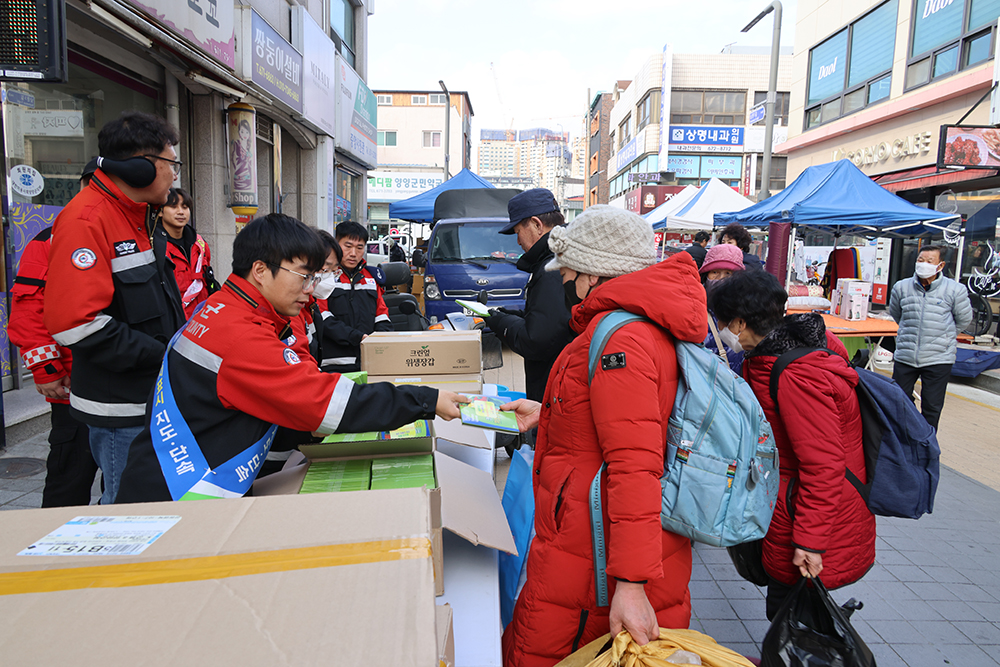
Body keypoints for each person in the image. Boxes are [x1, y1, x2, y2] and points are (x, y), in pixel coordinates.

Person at [115, 214, 468, 503]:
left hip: (170, 480)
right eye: (303, 276)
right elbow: (321, 402)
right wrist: (427, 399)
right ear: (260, 270)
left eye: (316, 277)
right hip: (177, 497)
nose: (310, 288)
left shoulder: (226, 308)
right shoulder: (241, 334)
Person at [499, 206, 706, 667]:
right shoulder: (636, 326)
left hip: (594, 566)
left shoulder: (621, 339)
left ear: (598, 272)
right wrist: (548, 414)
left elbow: (636, 465)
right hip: (591, 549)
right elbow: (618, 425)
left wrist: (631, 587)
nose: (568, 283)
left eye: (572, 273)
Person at [708, 270, 875, 620]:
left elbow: (823, 463)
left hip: (811, 516)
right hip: (794, 507)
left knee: (797, 621)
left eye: (721, 322)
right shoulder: (783, 352)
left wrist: (811, 541)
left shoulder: (795, 374)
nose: (719, 330)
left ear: (739, 323)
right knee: (791, 614)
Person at [45, 111, 185, 504]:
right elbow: (76, 323)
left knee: (151, 504)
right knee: (125, 513)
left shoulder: (140, 217)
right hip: (119, 408)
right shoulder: (87, 219)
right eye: (170, 164)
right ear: (139, 168)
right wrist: (163, 354)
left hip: (150, 397)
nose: (175, 175)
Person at [8, 159, 101, 507]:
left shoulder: (138, 237)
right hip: (72, 387)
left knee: (124, 484)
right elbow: (28, 311)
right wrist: (46, 369)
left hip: (127, 386)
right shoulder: (48, 241)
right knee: (69, 479)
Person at [484, 188, 575, 403]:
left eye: (517, 231)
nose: (517, 241)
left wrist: (501, 322)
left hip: (555, 392)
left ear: (536, 224)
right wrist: (517, 316)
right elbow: (556, 321)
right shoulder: (560, 256)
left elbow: (537, 341)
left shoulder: (553, 267)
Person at [889, 244, 973, 430]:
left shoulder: (955, 290)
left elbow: (964, 320)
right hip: (906, 355)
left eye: (929, 261)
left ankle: (927, 448)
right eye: (920, 260)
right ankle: (905, 440)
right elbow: (897, 315)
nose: (923, 264)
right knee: (898, 401)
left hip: (938, 357)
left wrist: (943, 336)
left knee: (932, 407)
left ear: (940, 265)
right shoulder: (901, 287)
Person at [315, 220, 394, 372]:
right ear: (336, 244)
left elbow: (382, 314)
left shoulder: (371, 278)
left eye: (359, 248)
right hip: (334, 363)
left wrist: (379, 339)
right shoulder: (325, 275)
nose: (353, 253)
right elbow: (322, 316)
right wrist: (358, 338)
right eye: (348, 246)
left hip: (370, 360)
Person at [159, 187, 218, 319]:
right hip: (174, 324)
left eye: (185, 207)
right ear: (160, 212)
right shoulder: (155, 246)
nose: (181, 212)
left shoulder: (200, 244)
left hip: (202, 321)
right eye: (174, 207)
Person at [700, 243, 745, 374]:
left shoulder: (747, 309)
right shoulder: (694, 306)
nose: (720, 279)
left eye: (728, 273)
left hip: (735, 384)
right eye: (715, 272)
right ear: (706, 275)